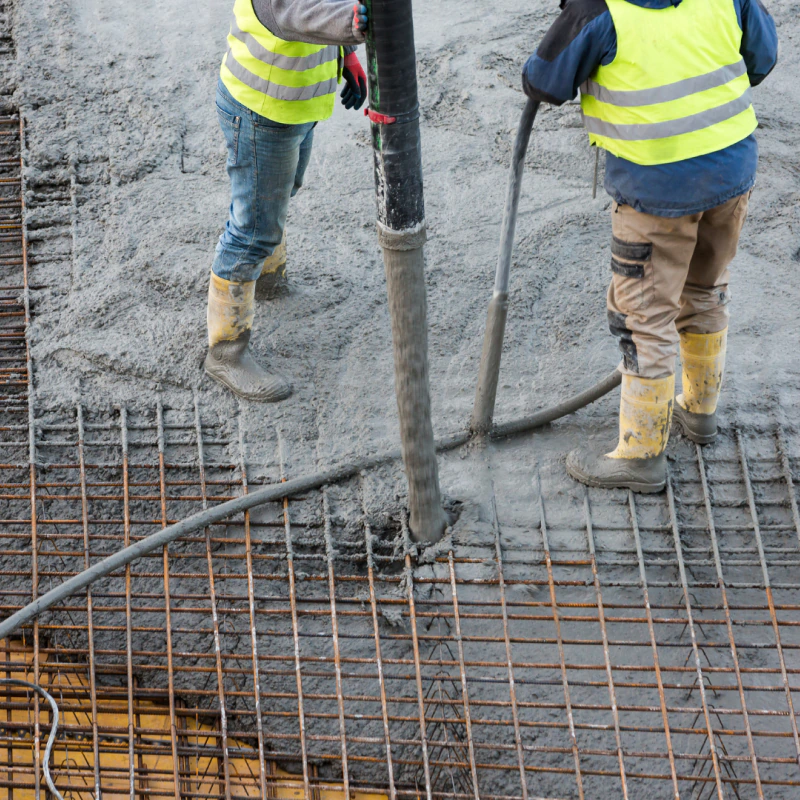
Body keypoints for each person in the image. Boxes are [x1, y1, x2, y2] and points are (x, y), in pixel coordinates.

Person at [522, 0, 778, 492]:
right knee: (705, 289)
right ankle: (699, 412)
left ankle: (640, 456)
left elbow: (544, 80)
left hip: (657, 193)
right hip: (732, 171)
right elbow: (762, 60)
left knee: (645, 319)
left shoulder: (600, 11)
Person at [205, 0, 369, 402]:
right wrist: (348, 24)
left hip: (294, 106)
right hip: (262, 110)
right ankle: (226, 352)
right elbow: (288, 11)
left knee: (279, 194)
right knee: (254, 229)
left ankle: (266, 278)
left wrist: (343, 53)